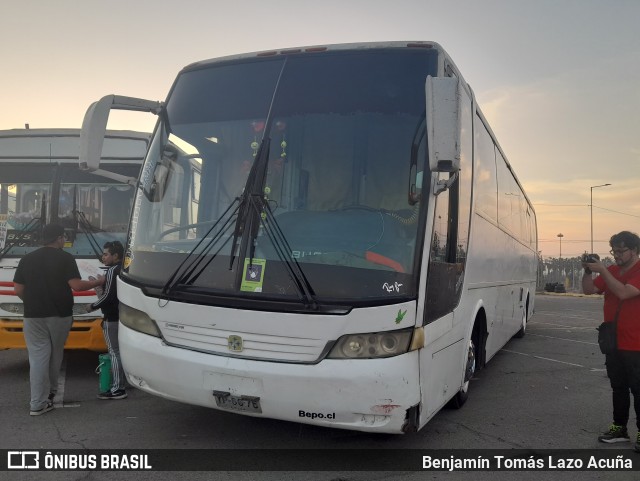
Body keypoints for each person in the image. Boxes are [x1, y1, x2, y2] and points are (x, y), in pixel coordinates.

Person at [13, 224, 104, 416]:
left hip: (32, 316)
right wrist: (98, 282)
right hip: (59, 315)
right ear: (59, 238)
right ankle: (52, 393)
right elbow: (77, 286)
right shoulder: (65, 258)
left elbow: (18, 289)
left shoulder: (27, 259)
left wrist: (32, 302)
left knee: (37, 357)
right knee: (55, 354)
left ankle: (37, 403)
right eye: (63, 237)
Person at [582, 231, 640, 452]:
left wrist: (603, 271)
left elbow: (624, 292)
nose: (616, 255)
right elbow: (588, 290)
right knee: (618, 387)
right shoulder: (613, 271)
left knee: (639, 388)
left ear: (634, 250)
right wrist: (588, 272)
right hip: (613, 342)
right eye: (613, 251)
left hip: (636, 343)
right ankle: (619, 428)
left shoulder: (638, 270)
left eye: (620, 251)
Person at [89, 241, 127, 400]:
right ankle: (124, 383)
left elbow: (108, 297)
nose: (102, 257)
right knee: (122, 351)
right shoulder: (126, 268)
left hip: (112, 317)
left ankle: (118, 388)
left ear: (115, 256)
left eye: (106, 254)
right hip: (125, 317)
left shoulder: (112, 271)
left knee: (114, 351)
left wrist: (92, 306)